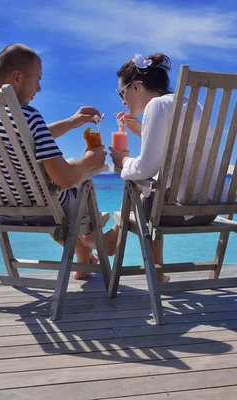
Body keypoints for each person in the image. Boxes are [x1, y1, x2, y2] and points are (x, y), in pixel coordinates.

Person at [0, 44, 106, 279]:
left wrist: (71, 122)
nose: (39, 88)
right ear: (17, 77)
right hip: (44, 211)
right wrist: (91, 159)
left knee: (48, 193)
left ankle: (83, 258)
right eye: (37, 79)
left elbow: (21, 140)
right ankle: (85, 256)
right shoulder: (29, 116)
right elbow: (64, 178)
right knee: (79, 188)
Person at [80, 53, 220, 283]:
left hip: (175, 212)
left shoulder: (156, 105)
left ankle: (114, 242)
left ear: (135, 86)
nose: (122, 101)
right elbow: (177, 151)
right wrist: (144, 130)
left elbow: (145, 168)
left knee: (139, 183)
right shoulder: (192, 104)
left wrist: (122, 160)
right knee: (152, 187)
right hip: (209, 207)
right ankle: (153, 270)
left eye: (121, 92)